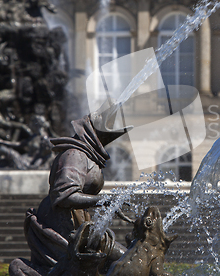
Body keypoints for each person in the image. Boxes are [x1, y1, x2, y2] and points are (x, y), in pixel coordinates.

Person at [9, 113, 132, 276]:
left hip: (78, 223)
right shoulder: (74, 155)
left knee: (127, 261)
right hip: (61, 226)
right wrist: (105, 200)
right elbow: (64, 196)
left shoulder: (87, 155)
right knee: (126, 262)